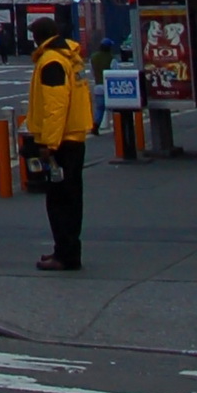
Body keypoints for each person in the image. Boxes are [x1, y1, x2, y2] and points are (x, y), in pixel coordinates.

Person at [25, 15, 92, 272]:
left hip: (61, 141)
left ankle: (65, 255)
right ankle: (66, 250)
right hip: (74, 137)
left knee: (59, 201)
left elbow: (55, 105)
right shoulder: (70, 57)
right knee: (72, 200)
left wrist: (49, 144)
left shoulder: (51, 61)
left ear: (38, 37)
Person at [88, 37, 117, 132]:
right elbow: (115, 72)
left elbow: (92, 72)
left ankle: (95, 126)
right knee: (114, 108)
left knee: (99, 108)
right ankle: (117, 127)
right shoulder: (111, 58)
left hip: (98, 86)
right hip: (109, 87)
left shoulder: (93, 57)